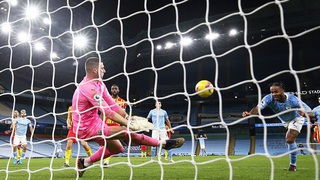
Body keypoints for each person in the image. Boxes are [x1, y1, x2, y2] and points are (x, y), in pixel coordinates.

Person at [72, 57, 185, 177]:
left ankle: (84, 162)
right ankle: (164, 143)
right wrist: (129, 124)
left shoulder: (99, 84)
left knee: (118, 149)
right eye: (102, 68)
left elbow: (113, 105)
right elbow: (108, 112)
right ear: (95, 69)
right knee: (126, 132)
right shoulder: (88, 88)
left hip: (96, 123)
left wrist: (128, 117)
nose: (104, 70)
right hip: (84, 129)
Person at [242, 82, 311, 171]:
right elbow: (258, 108)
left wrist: (306, 115)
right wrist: (250, 113)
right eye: (272, 92)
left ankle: (293, 165)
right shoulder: (268, 98)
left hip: (296, 118)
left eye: (276, 92)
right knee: (289, 140)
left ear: (283, 91)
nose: (274, 94)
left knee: (289, 139)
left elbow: (309, 110)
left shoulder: (293, 100)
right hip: (284, 121)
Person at [102, 84, 126, 166]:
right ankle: (105, 159)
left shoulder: (123, 102)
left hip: (116, 124)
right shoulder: (106, 100)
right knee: (106, 143)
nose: (114, 90)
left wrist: (123, 123)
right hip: (106, 123)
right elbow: (103, 112)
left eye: (116, 89)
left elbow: (123, 113)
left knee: (111, 144)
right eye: (113, 89)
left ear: (118, 90)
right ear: (110, 90)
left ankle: (106, 160)